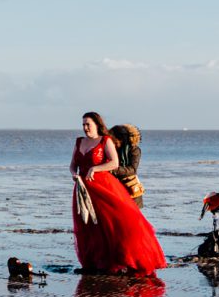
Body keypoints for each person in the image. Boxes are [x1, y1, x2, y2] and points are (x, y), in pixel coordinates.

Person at [70, 112, 167, 276]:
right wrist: (74, 174)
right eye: (83, 125)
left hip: (105, 186)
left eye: (88, 124)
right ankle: (95, 262)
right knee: (90, 227)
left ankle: (123, 259)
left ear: (97, 124)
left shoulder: (105, 140)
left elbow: (114, 162)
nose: (85, 128)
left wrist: (95, 168)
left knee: (118, 222)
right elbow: (73, 165)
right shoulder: (79, 142)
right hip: (84, 189)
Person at [109, 123, 145, 208]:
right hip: (116, 189)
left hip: (131, 189)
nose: (112, 144)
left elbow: (132, 169)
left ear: (121, 139)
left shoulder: (134, 150)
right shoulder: (112, 150)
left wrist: (112, 169)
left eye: (114, 141)